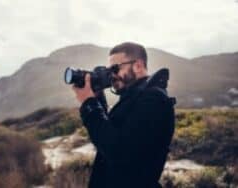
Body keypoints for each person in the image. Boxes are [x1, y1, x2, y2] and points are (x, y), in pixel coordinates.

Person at [72, 42, 176, 188]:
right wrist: (97, 98)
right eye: (109, 71)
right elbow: (111, 133)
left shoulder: (154, 100)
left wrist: (88, 103)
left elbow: (118, 151)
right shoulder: (134, 97)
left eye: (115, 68)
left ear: (138, 66)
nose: (111, 75)